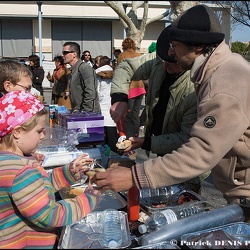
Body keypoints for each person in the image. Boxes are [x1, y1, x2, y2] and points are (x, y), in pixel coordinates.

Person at [93, 4, 250, 223]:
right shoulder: (215, 70)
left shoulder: (223, 85)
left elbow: (201, 151)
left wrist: (133, 176)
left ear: (196, 46)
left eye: (175, 46)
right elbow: (128, 67)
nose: (170, 52)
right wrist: (119, 98)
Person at [107, 25, 209, 193]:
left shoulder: (197, 87)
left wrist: (145, 142)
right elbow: (126, 67)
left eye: (172, 64)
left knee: (184, 201)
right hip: (162, 151)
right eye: (163, 62)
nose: (165, 67)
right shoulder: (161, 60)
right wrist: (120, 98)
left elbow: (186, 137)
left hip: (186, 161)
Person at [0, 90, 102, 248]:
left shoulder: (9, 161)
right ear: (17, 132)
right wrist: (88, 199)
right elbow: (49, 215)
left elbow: (37, 188)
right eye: (39, 131)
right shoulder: (22, 170)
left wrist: (68, 172)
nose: (42, 136)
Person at [117, 38, 146, 140]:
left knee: (127, 116)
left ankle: (129, 139)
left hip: (130, 89)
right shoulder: (139, 55)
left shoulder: (122, 56)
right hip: (140, 88)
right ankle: (136, 136)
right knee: (135, 115)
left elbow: (118, 72)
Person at [62, 42, 101, 113]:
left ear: (74, 54)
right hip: (78, 112)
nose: (63, 55)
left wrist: (85, 112)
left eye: (65, 53)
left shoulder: (84, 68)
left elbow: (90, 92)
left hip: (88, 115)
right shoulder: (73, 70)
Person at [95, 55, 119, 152]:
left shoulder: (97, 74)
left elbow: (96, 91)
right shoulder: (116, 73)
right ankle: (115, 156)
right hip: (113, 105)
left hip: (101, 106)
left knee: (101, 139)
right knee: (113, 137)